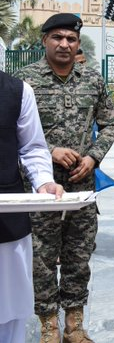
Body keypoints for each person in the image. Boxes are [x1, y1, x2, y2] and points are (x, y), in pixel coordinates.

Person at [14, 13, 114, 343]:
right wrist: (51, 150)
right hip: (39, 188)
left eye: (71, 39)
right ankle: (48, 326)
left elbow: (111, 123)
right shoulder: (24, 81)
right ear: (44, 41)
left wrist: (93, 157)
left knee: (78, 255)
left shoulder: (92, 80)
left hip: (81, 186)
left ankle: (74, 325)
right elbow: (14, 133)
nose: (64, 44)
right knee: (42, 257)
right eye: (57, 37)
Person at [0, 70, 64, 343]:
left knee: (8, 308)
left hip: (6, 218)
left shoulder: (17, 91)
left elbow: (33, 147)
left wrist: (44, 182)